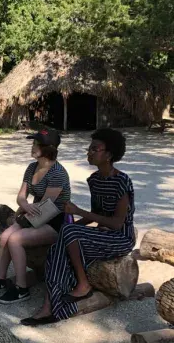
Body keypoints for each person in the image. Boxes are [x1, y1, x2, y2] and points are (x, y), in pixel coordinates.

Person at [22, 129, 135, 326]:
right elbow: (97, 214)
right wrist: (73, 227)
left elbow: (117, 223)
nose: (89, 153)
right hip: (102, 235)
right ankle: (52, 307)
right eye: (89, 149)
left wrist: (77, 214)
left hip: (121, 238)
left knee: (68, 231)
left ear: (109, 155)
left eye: (95, 149)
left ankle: (83, 284)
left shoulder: (121, 181)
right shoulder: (94, 180)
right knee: (58, 245)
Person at [0, 129, 70, 304]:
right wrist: (24, 206)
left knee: (14, 239)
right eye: (33, 143)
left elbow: (46, 208)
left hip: (55, 221)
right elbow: (21, 197)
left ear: (48, 148)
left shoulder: (58, 173)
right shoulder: (32, 168)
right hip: (34, 214)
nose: (32, 146)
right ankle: (1, 279)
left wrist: (23, 213)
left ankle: (22, 288)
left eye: (36, 144)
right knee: (4, 237)